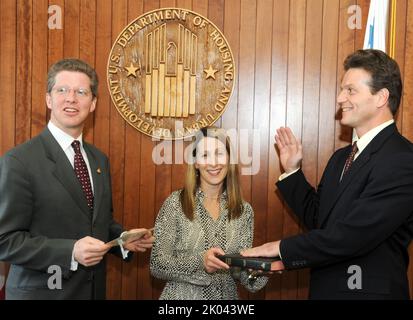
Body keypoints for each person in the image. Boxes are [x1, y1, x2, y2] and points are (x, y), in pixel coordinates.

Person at [242, 49, 413, 299]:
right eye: (342, 89)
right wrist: (291, 171)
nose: (340, 97)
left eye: (350, 90)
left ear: (381, 97)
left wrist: (281, 248)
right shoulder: (340, 159)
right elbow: (320, 221)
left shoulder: (402, 159)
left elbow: (353, 236)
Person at [0, 58, 154, 300]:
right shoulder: (19, 161)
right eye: (62, 90)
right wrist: (70, 251)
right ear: (48, 99)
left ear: (92, 103)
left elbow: (96, 221)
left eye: (81, 92)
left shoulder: (98, 160)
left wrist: (123, 241)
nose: (71, 98)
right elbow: (5, 240)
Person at [150, 127, 268, 299]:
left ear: (229, 159)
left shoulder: (243, 211)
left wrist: (259, 270)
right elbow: (157, 265)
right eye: (205, 155)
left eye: (219, 154)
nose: (213, 163)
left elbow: (240, 274)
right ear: (196, 163)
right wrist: (200, 261)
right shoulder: (176, 203)